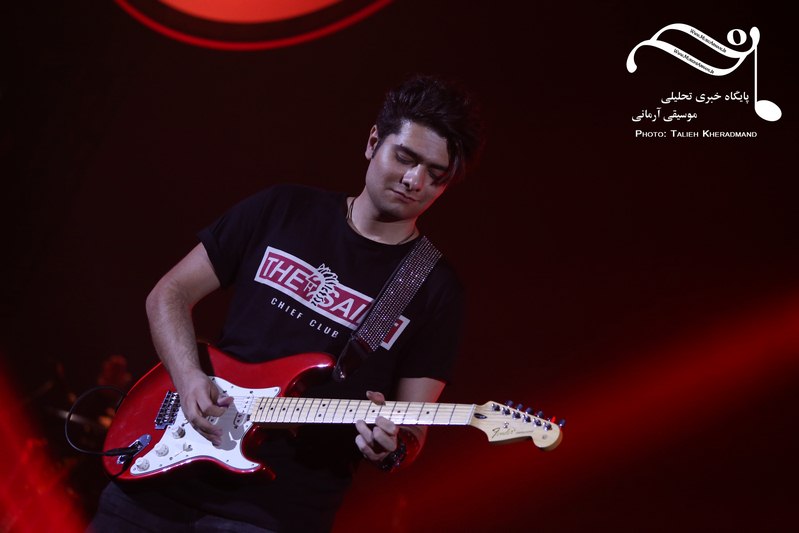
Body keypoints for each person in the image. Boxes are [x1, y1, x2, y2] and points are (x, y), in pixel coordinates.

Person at [87, 73, 483, 532]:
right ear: (373, 142)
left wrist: (391, 448)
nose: (415, 180)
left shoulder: (434, 288)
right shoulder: (283, 208)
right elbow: (169, 294)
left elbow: (413, 430)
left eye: (436, 175)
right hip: (158, 479)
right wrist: (189, 379)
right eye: (406, 158)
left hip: (274, 514)